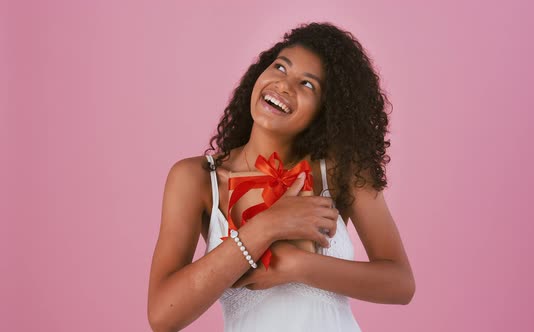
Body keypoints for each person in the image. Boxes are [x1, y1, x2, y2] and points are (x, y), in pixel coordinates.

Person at [147, 22, 415, 332]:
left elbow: (400, 282)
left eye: (307, 84)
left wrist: (296, 265)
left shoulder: (342, 171)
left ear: (325, 111)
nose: (284, 85)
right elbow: (162, 315)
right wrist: (266, 227)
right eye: (280, 67)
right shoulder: (195, 179)